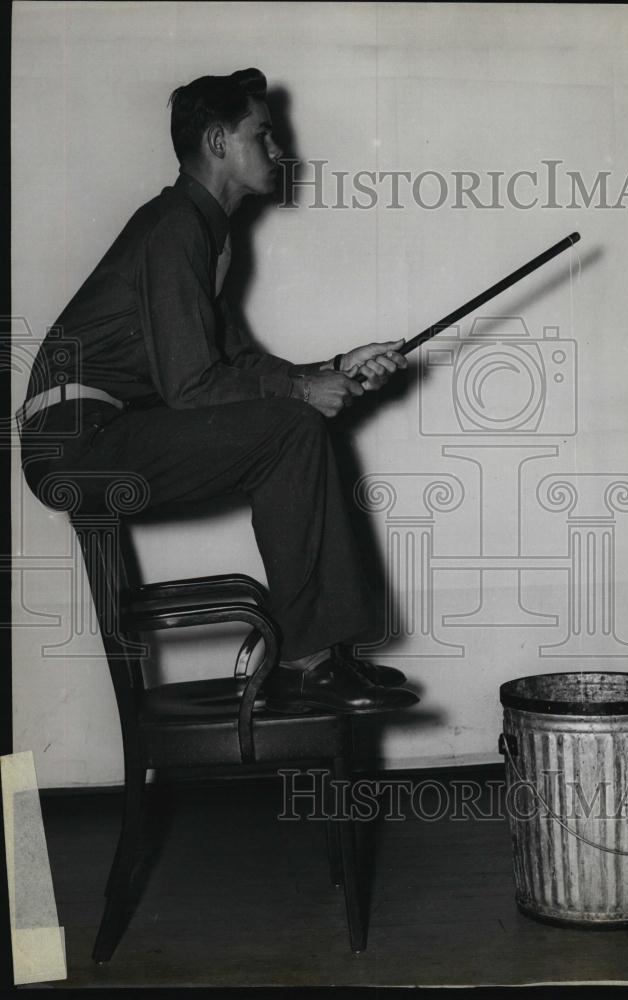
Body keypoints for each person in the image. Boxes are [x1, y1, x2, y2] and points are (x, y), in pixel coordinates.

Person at [18, 68, 418, 715]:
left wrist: (337, 367)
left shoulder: (205, 236)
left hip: (96, 434)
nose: (279, 151)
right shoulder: (176, 227)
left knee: (289, 421)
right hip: (75, 442)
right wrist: (301, 392)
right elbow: (193, 386)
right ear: (217, 142)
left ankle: (315, 656)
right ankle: (307, 661)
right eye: (263, 135)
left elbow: (237, 369)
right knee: (291, 428)